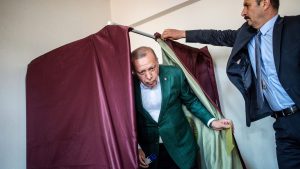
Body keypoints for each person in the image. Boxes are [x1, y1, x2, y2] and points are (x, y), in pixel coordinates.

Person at [161, 0, 300, 168]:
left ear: (265, 3)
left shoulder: (295, 26)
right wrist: (183, 33)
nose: (242, 12)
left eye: (247, 5)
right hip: (282, 125)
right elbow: (217, 36)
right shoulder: (246, 34)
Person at [131, 46, 232, 169]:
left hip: (182, 147)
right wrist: (137, 147)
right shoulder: (129, 86)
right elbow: (127, 120)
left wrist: (212, 121)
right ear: (134, 72)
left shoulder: (174, 74)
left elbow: (191, 101)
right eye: (142, 72)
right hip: (151, 153)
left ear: (157, 62)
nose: (148, 76)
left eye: (152, 68)